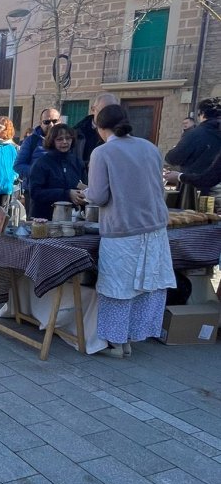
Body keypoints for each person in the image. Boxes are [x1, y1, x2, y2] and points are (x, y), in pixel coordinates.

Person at [84, 104, 175, 358]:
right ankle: (132, 337)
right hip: (155, 230)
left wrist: (85, 192)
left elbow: (99, 196)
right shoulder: (150, 147)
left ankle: (116, 343)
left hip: (123, 232)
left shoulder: (102, 152)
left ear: (100, 127)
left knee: (118, 289)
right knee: (146, 287)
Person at [164, 97, 221, 197]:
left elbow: (173, 158)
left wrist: (179, 176)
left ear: (202, 114)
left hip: (196, 189)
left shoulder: (197, 133)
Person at [28, 124, 86, 220]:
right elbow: (35, 193)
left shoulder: (78, 163)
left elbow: (84, 186)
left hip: (72, 218)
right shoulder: (41, 163)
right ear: (52, 141)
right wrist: (67, 194)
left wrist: (82, 196)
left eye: (68, 138)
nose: (65, 142)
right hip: (44, 219)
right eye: (59, 139)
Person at [14, 107, 62, 199]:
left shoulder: (67, 140)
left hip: (61, 192)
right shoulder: (31, 141)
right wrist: (39, 173)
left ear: (60, 122)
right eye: (46, 122)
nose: (51, 125)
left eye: (55, 121)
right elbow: (18, 166)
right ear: (40, 123)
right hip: (36, 192)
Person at [75, 92, 121, 176]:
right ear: (93, 110)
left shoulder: (123, 133)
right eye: (104, 112)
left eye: (112, 112)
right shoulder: (77, 132)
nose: (108, 116)